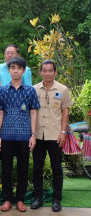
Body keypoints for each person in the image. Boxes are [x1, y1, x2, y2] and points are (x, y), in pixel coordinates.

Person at [0, 57, 40, 212]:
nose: (15, 70)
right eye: (12, 67)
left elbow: (33, 112)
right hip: (6, 135)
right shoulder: (2, 91)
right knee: (6, 169)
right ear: (9, 70)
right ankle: (7, 199)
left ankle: (20, 199)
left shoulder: (30, 90)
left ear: (23, 71)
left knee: (23, 168)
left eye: (19, 68)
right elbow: (0, 113)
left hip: (24, 136)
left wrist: (33, 134)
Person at [32, 60, 73, 212]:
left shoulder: (63, 89)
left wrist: (63, 132)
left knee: (57, 168)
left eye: (51, 70)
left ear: (55, 72)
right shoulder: (34, 89)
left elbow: (65, 112)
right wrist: (32, 133)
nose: (48, 73)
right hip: (38, 135)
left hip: (55, 134)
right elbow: (32, 112)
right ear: (40, 72)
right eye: (45, 70)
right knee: (37, 167)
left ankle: (57, 200)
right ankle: (38, 198)